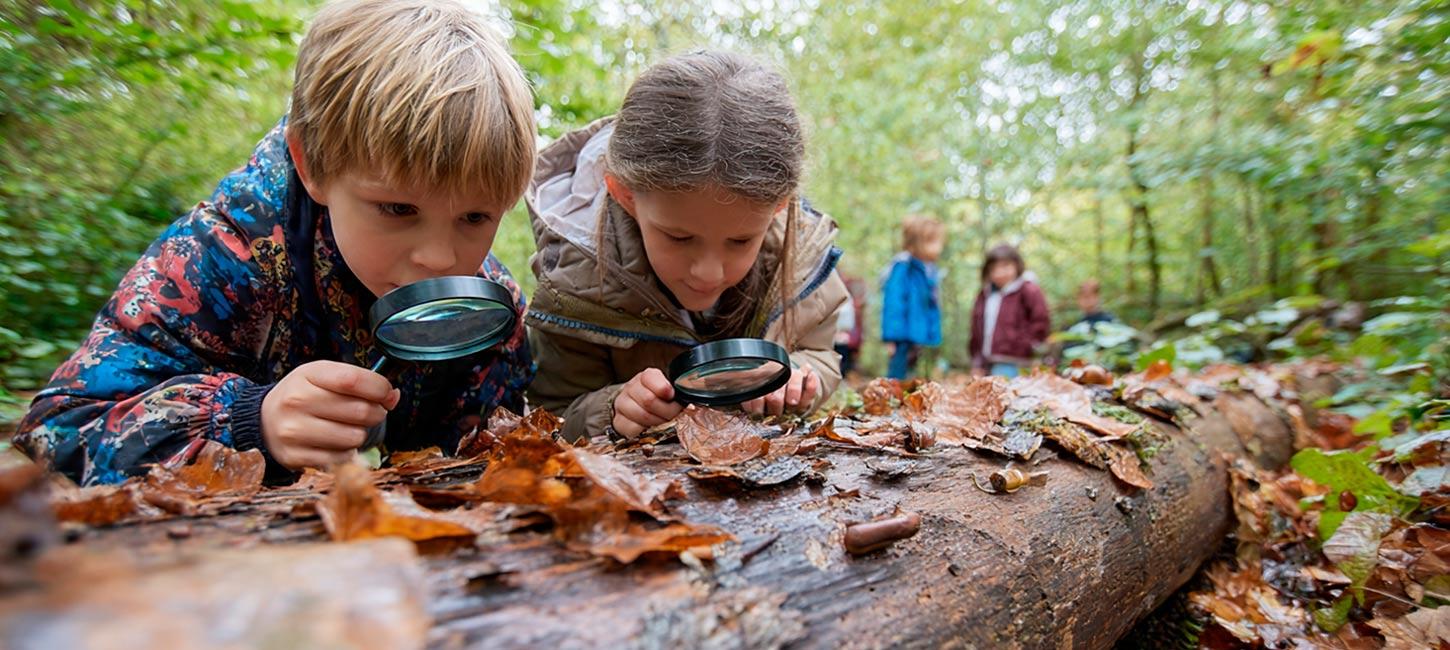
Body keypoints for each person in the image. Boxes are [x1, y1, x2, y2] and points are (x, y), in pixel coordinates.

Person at [15, 0, 537, 485]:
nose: (441, 258)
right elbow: (56, 432)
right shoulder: (219, 261)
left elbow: (495, 451)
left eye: (475, 216)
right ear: (312, 165)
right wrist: (246, 421)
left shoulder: (486, 308)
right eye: (398, 209)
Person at [524, 51, 849, 442]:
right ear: (626, 196)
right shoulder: (575, 282)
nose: (708, 272)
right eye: (679, 238)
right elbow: (556, 410)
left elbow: (822, 354)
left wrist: (800, 377)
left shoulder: (799, 261)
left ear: (779, 208)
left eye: (741, 240)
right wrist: (613, 408)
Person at [969, 244, 1051, 378]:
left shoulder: (1028, 290)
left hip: (1015, 360)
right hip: (987, 361)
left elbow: (1040, 321)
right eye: (994, 268)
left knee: (1008, 394)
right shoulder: (984, 295)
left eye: (1005, 266)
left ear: (1017, 266)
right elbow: (976, 329)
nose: (999, 273)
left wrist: (1029, 346)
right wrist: (977, 361)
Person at [880, 216, 945, 379]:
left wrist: (932, 334)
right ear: (917, 243)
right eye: (933, 242)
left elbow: (931, 305)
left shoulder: (929, 271)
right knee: (898, 375)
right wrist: (891, 337)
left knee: (917, 376)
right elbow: (894, 302)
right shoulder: (903, 267)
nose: (939, 247)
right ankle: (891, 402)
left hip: (920, 336)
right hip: (902, 335)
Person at [834, 273, 867, 377]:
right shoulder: (844, 301)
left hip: (846, 337)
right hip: (839, 337)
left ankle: (842, 376)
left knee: (845, 360)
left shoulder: (849, 303)